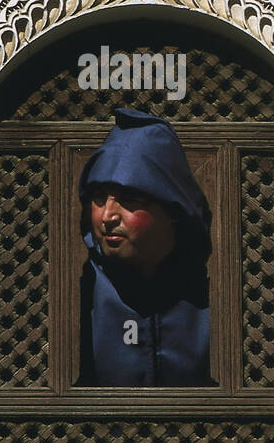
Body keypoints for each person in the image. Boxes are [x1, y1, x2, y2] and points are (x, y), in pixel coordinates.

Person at [77, 107, 211, 386]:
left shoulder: (214, 293)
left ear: (172, 209)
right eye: (99, 197)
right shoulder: (80, 291)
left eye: (130, 200)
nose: (108, 216)